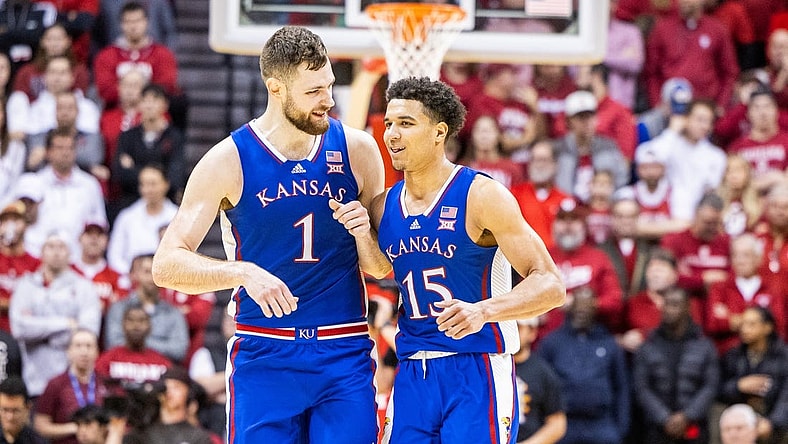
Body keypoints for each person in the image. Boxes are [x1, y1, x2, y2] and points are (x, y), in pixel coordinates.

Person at [152, 26, 390, 443]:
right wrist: (242, 272)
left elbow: (381, 266)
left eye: (330, 86)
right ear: (276, 88)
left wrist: (364, 235)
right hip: (264, 352)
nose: (328, 100)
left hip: (344, 349)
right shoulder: (227, 160)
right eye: (314, 91)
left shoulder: (360, 150)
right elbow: (167, 265)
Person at [374, 77, 565, 443]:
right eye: (389, 124)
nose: (392, 134)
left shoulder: (482, 195)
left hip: (476, 365)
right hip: (413, 370)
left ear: (439, 132)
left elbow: (551, 284)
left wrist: (484, 311)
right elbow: (379, 268)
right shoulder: (383, 207)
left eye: (406, 124)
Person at [10, 232, 101, 398]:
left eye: (62, 247)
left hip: (71, 384)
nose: (56, 252)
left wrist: (39, 334)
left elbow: (88, 331)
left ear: (70, 253)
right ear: (42, 252)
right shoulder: (26, 285)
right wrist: (66, 324)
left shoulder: (84, 287)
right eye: (51, 247)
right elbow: (19, 328)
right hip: (33, 381)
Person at [537, 287, 630, 444]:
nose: (582, 313)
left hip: (601, 422)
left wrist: (621, 427)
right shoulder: (552, 343)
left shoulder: (609, 343)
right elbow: (541, 384)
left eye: (586, 309)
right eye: (579, 308)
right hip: (564, 422)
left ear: (595, 311)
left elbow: (621, 387)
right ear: (570, 309)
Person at [633, 286, 719, 444]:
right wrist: (664, 417)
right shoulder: (648, 345)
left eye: (675, 304)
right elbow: (641, 387)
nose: (668, 309)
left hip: (694, 428)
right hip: (656, 428)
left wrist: (687, 416)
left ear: (687, 308)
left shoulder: (704, 346)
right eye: (666, 304)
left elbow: (710, 386)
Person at [719, 306, 788, 443]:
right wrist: (738, 386)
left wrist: (773, 423)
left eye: (752, 324)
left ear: (767, 327)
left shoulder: (783, 356)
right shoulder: (733, 355)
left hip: (777, 423)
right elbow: (717, 388)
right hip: (741, 423)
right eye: (743, 324)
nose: (744, 329)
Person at [34, 329, 106, 444]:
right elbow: (41, 425)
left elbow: (117, 424)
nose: (84, 352)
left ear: (97, 352)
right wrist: (74, 428)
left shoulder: (105, 383)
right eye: (78, 346)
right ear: (69, 351)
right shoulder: (55, 384)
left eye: (89, 346)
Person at [512, 319, 566, 443]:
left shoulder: (543, 372)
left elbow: (558, 423)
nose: (512, 333)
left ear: (532, 332)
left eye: (518, 328)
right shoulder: (489, 367)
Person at [0, 377, 47, 444]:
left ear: (28, 408)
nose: (10, 417)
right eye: (5, 410)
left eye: (15, 411)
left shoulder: (38, 441)